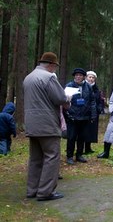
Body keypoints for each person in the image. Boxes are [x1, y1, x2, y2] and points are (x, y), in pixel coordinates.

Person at [23, 52, 70, 201]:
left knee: (35, 158)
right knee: (52, 156)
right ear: (51, 65)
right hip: (47, 123)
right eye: (55, 66)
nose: (55, 69)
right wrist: (68, 98)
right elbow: (60, 98)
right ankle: (45, 192)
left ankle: (32, 189)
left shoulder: (28, 77)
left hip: (31, 123)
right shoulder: (48, 77)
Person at [64, 68, 96, 165]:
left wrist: (93, 114)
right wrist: (68, 113)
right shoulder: (69, 86)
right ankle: (69, 156)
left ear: (84, 77)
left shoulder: (88, 87)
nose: (78, 77)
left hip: (85, 116)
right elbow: (65, 101)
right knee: (71, 137)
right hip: (72, 117)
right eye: (76, 75)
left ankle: (79, 155)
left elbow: (92, 101)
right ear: (74, 76)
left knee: (82, 137)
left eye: (80, 75)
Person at [83, 71, 104, 154]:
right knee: (83, 130)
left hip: (94, 112)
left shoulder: (96, 89)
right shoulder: (83, 87)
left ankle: (88, 147)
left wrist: (98, 109)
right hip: (84, 112)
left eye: (93, 77)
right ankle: (81, 148)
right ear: (86, 78)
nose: (91, 79)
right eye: (89, 77)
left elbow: (99, 101)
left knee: (91, 130)